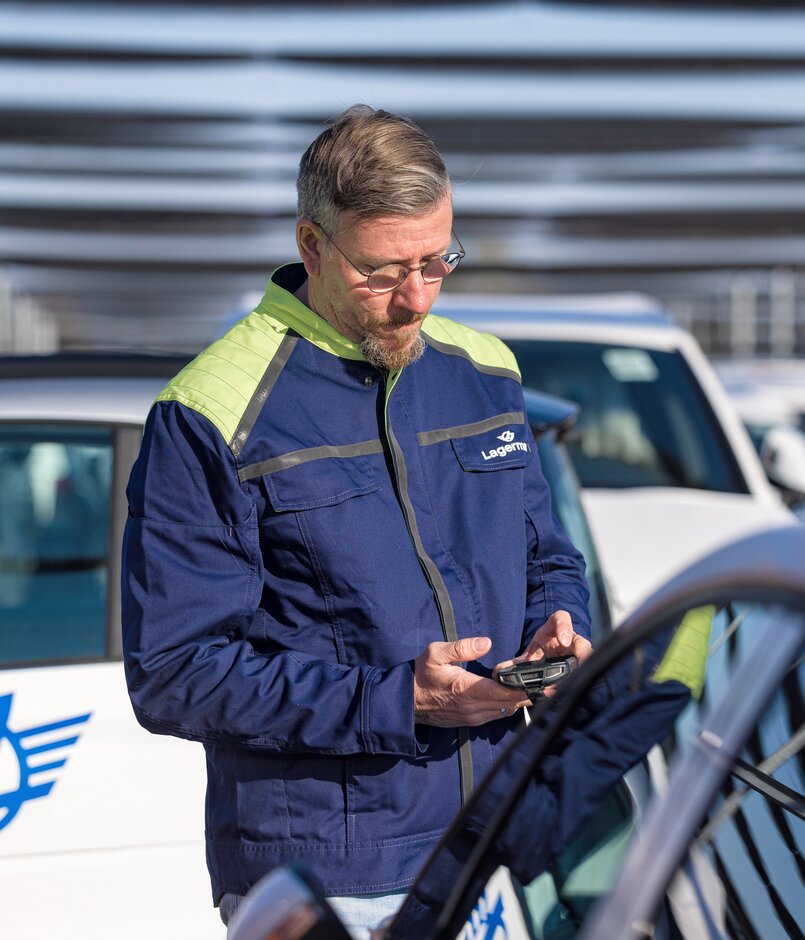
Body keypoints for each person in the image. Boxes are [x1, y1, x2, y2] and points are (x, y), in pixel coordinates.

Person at [121, 104, 592, 939]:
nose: (414, 298)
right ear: (312, 245)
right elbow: (173, 672)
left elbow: (546, 557)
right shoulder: (211, 412)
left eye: (437, 260)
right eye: (383, 272)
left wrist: (559, 627)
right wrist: (397, 700)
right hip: (329, 877)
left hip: (495, 847)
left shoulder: (485, 372)